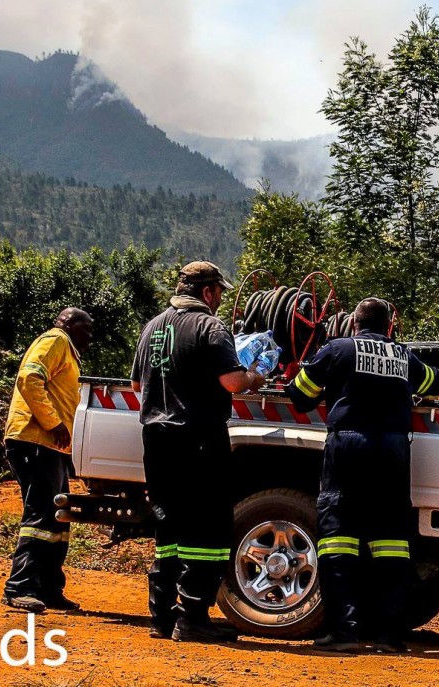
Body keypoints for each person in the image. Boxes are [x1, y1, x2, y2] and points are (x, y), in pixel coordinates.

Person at [284, 298, 439, 653]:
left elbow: (299, 395)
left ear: (353, 324)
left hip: (349, 447)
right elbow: (433, 379)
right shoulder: (402, 356)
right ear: (389, 327)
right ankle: (389, 636)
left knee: (338, 540)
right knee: (392, 543)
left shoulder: (338, 349)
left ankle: (343, 633)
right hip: (393, 452)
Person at [132, 261, 265, 643]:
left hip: (156, 438)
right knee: (207, 527)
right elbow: (232, 381)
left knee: (169, 525)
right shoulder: (211, 326)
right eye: (219, 292)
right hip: (198, 436)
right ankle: (192, 617)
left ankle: (161, 617)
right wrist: (256, 376)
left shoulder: (153, 326)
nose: (220, 298)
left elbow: (136, 380)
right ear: (207, 292)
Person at [2, 308, 95, 613]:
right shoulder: (55, 340)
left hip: (48, 446)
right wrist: (53, 423)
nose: (90, 336)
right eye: (87, 328)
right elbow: (29, 378)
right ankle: (20, 587)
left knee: (56, 517)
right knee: (41, 516)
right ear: (69, 324)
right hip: (35, 441)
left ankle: (48, 588)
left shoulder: (66, 350)